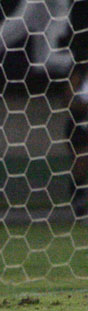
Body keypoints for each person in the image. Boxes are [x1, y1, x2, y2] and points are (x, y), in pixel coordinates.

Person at [66, 60, 88, 217]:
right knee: (82, 160)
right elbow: (69, 101)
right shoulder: (79, 72)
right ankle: (79, 204)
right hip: (81, 123)